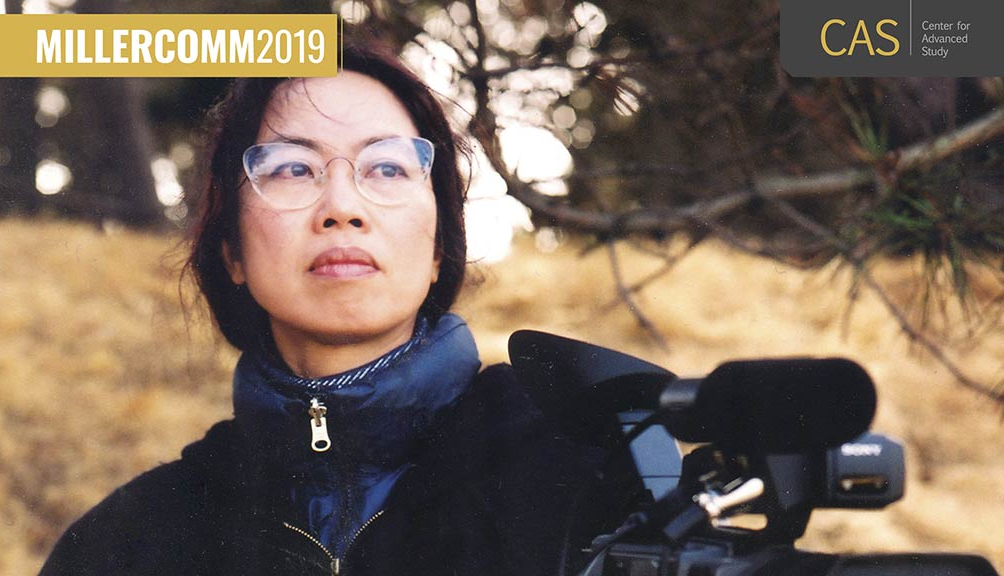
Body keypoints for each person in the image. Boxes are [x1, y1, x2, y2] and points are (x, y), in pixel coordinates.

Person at [39, 42, 632, 576]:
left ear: (438, 248)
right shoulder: (123, 544)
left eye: (388, 167)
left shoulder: (586, 478)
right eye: (293, 168)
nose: (342, 206)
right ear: (233, 250)